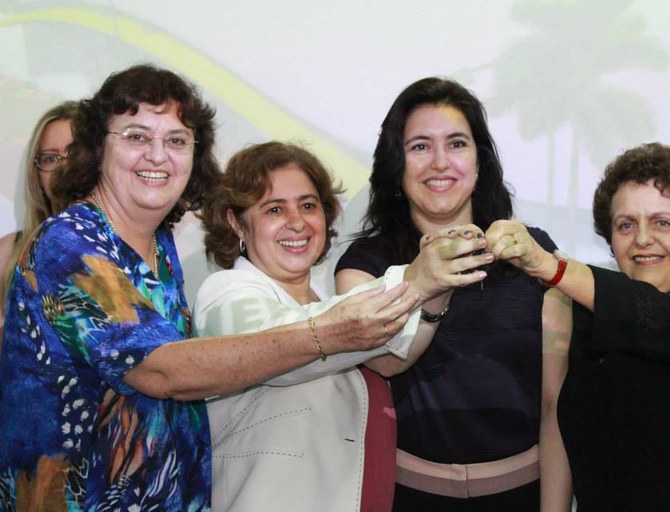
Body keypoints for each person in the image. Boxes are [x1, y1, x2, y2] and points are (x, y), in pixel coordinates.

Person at [0, 65, 422, 512]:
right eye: (137, 136)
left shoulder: (156, 245)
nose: (158, 156)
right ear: (97, 148)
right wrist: (328, 333)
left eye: (177, 140)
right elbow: (160, 372)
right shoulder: (69, 241)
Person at [193, 142, 490, 511]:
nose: (297, 222)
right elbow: (277, 345)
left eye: (308, 205)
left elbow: (391, 358)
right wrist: (414, 280)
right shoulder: (225, 293)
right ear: (237, 222)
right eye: (274, 209)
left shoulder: (323, 298)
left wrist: (434, 292)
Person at [484, 142, 670, 511]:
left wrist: (551, 267)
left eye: (662, 222)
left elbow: (668, 322)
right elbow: (561, 427)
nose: (643, 239)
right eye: (626, 225)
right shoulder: (583, 316)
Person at [335, 77, 557, 511]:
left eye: (456, 144)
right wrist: (429, 285)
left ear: (479, 162)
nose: (440, 163)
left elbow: (556, 402)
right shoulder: (364, 264)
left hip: (524, 494)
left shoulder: (531, 252)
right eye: (420, 146)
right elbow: (383, 360)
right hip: (409, 497)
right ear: (396, 165)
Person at [0, 101, 78, 341]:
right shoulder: (9, 252)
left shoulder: (131, 247)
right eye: (51, 158)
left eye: (75, 153)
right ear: (36, 173)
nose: (64, 168)